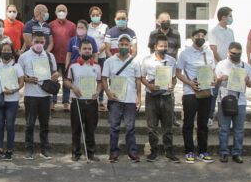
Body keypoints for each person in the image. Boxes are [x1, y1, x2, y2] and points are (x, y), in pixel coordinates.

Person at [18, 31, 60, 160]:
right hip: (30, 95)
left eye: (42, 42)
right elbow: (19, 76)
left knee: (45, 125)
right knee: (29, 124)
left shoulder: (49, 56)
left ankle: (44, 149)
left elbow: (55, 72)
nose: (39, 44)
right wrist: (27, 79)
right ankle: (29, 149)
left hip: (45, 95)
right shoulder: (24, 57)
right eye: (37, 42)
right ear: (31, 41)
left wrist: (56, 75)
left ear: (45, 42)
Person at [176, 29, 216, 164]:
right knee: (188, 123)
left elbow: (212, 70)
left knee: (203, 123)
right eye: (198, 35)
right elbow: (178, 72)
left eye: (203, 36)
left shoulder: (208, 52)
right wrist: (190, 83)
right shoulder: (185, 53)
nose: (201, 38)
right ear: (192, 38)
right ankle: (189, 151)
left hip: (206, 92)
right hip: (190, 93)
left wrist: (214, 80)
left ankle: (203, 151)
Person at [102, 34, 142, 163]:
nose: (124, 46)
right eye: (122, 44)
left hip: (130, 99)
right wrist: (108, 93)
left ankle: (132, 153)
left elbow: (138, 80)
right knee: (114, 127)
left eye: (126, 44)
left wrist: (139, 98)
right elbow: (103, 78)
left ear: (130, 47)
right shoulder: (109, 61)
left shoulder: (135, 62)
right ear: (117, 45)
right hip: (115, 99)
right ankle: (113, 153)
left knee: (130, 127)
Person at [141, 34, 179, 162]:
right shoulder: (147, 60)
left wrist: (172, 86)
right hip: (152, 96)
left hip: (166, 97)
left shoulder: (172, 61)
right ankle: (154, 152)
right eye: (161, 46)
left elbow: (174, 78)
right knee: (152, 127)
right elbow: (141, 77)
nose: (163, 48)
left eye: (165, 46)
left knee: (168, 126)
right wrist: (149, 86)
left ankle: (169, 152)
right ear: (155, 46)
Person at [215, 42, 251, 163]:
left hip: (240, 101)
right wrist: (220, 79)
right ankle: (224, 152)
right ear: (228, 52)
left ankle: (237, 153)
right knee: (224, 128)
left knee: (239, 129)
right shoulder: (221, 64)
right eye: (233, 53)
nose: (236, 55)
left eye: (238, 53)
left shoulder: (246, 66)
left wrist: (247, 81)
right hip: (225, 99)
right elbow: (215, 83)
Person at [65, 39, 102, 162]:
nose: (87, 51)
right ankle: (76, 153)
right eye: (85, 48)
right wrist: (73, 87)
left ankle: (91, 153)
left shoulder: (96, 66)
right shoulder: (73, 66)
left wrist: (97, 91)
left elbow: (100, 82)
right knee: (76, 129)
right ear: (79, 50)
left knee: (91, 129)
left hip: (91, 102)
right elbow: (66, 81)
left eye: (89, 49)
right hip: (77, 101)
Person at [0, 42, 25, 161]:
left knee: (10, 125)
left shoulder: (17, 66)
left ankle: (9, 150)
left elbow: (21, 82)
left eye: (8, 50)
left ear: (12, 52)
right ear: (0, 52)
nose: (6, 52)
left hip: (12, 99)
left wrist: (14, 90)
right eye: (4, 50)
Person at [208, 7, 235, 128]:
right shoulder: (214, 31)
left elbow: (232, 48)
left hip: (230, 67)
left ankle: (228, 116)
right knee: (213, 92)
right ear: (223, 17)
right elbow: (214, 50)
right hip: (217, 66)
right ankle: (210, 117)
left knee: (228, 92)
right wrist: (221, 63)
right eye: (229, 16)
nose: (231, 18)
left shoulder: (230, 31)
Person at [50, 4, 76, 111]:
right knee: (53, 80)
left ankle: (66, 102)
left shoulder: (72, 26)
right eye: (59, 10)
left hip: (67, 58)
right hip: (54, 57)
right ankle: (53, 101)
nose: (61, 12)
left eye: (63, 10)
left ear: (67, 12)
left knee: (67, 80)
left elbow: (75, 42)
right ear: (55, 12)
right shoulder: (50, 25)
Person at [88, 6, 109, 111]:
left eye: (97, 15)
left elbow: (106, 42)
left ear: (100, 15)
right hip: (89, 57)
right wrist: (91, 53)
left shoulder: (105, 27)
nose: (95, 16)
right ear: (90, 16)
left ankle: (100, 100)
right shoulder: (87, 27)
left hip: (101, 57)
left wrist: (98, 52)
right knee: (90, 77)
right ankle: (90, 97)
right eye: (93, 15)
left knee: (101, 78)